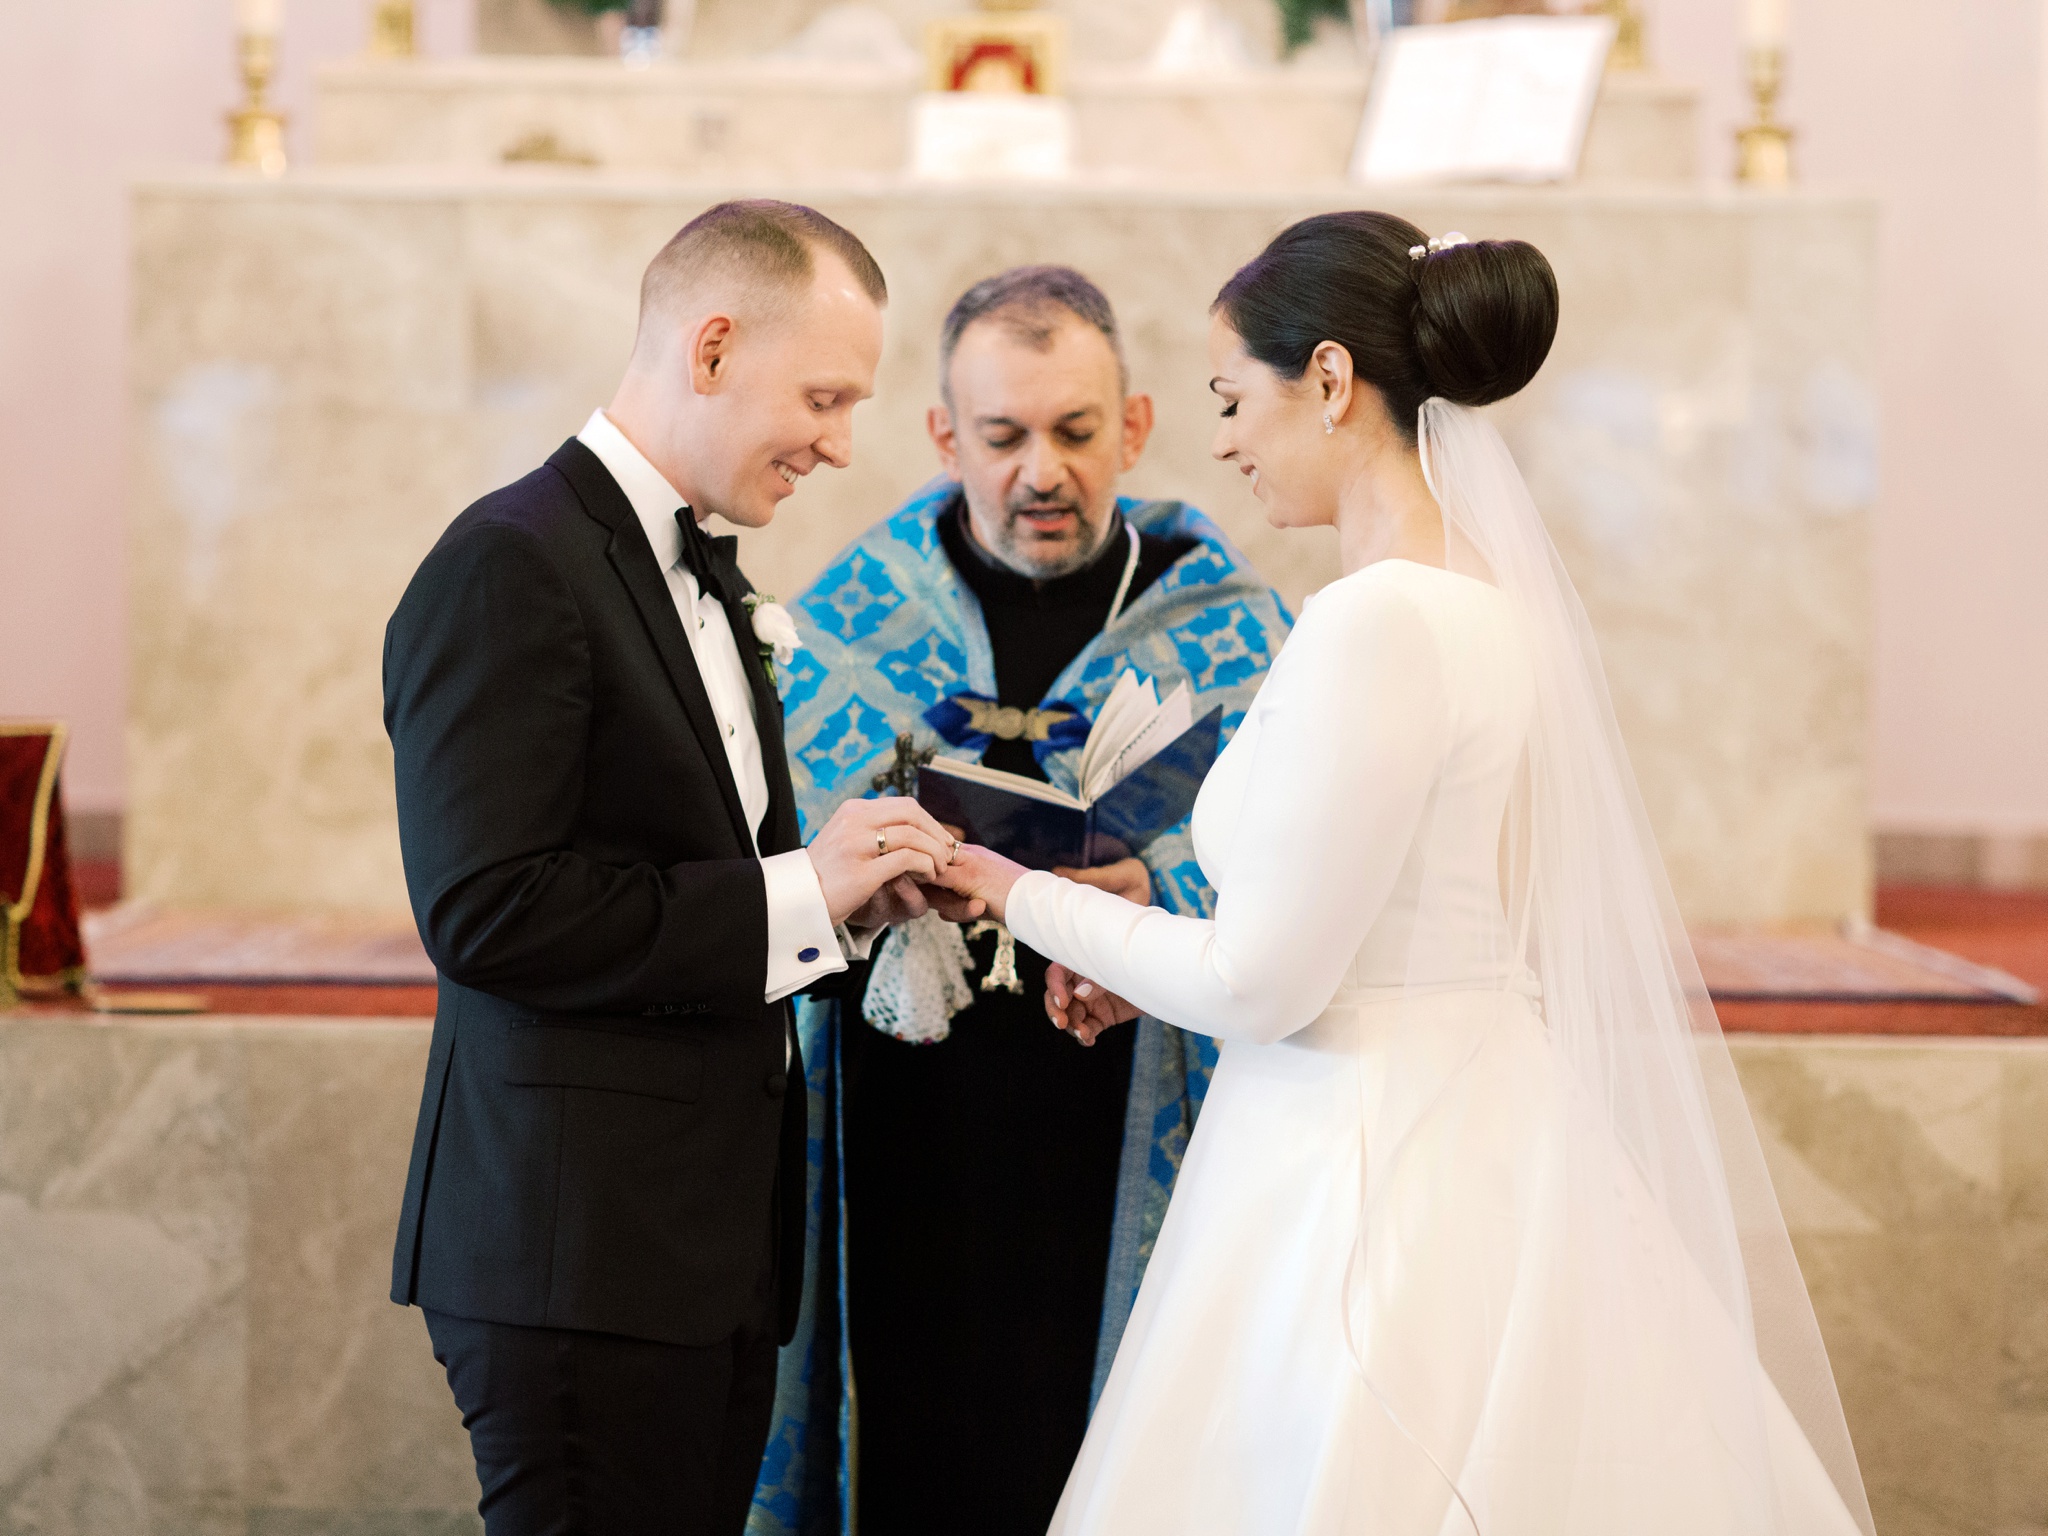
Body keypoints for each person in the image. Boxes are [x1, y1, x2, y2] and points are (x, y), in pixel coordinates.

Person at [936, 214, 1878, 1535]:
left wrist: (1005, 885)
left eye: (1232, 398)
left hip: (1363, 1153)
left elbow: (1265, 985)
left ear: (1328, 379)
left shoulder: (1373, 622)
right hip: (1470, 1109)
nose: (1225, 442)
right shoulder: (1479, 597)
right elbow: (1382, 922)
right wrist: (1142, 965)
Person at [381, 200, 980, 1536]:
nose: (839, 442)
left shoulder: (700, 574)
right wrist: (798, 891)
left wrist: (851, 906)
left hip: (696, 1248)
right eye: (823, 397)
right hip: (575, 1246)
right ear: (711, 348)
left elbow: (699, 880)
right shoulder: (510, 564)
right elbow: (488, 910)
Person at [753, 266, 1291, 1536]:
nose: (1039, 472)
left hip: (1122, 1092)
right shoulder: (857, 612)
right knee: (915, 1416)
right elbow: (777, 837)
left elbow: (1303, 865)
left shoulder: (1228, 626)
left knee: (1086, 1423)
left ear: (1136, 428)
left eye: (1074, 432)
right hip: (906, 1102)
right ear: (946, 438)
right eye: (1001, 437)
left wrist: (1155, 887)